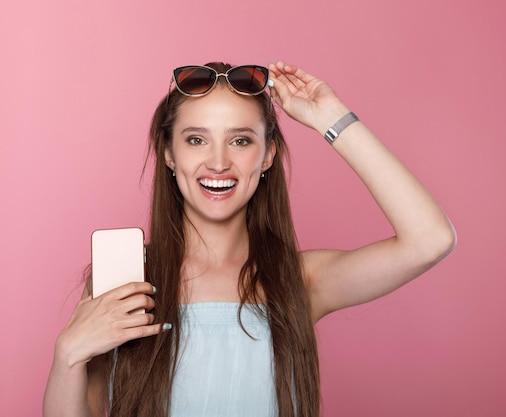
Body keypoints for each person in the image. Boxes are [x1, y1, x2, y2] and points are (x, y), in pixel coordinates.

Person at [42, 61, 456, 417]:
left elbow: (429, 240)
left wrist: (331, 117)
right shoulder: (124, 281)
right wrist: (67, 356)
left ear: (268, 154)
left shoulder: (300, 280)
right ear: (169, 153)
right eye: (196, 139)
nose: (219, 161)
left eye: (241, 140)